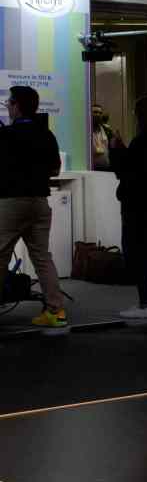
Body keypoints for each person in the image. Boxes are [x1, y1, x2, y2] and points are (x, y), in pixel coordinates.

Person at [0, 86, 67, 328]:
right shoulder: (46, 134)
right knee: (42, 258)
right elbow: (55, 169)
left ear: (17, 106)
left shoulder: (6, 135)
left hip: (11, 202)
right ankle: (56, 312)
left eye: (9, 103)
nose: (8, 107)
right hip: (39, 203)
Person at [110, 97, 147, 319]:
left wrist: (116, 149)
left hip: (136, 206)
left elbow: (125, 171)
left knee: (137, 254)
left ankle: (144, 304)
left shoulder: (141, 142)